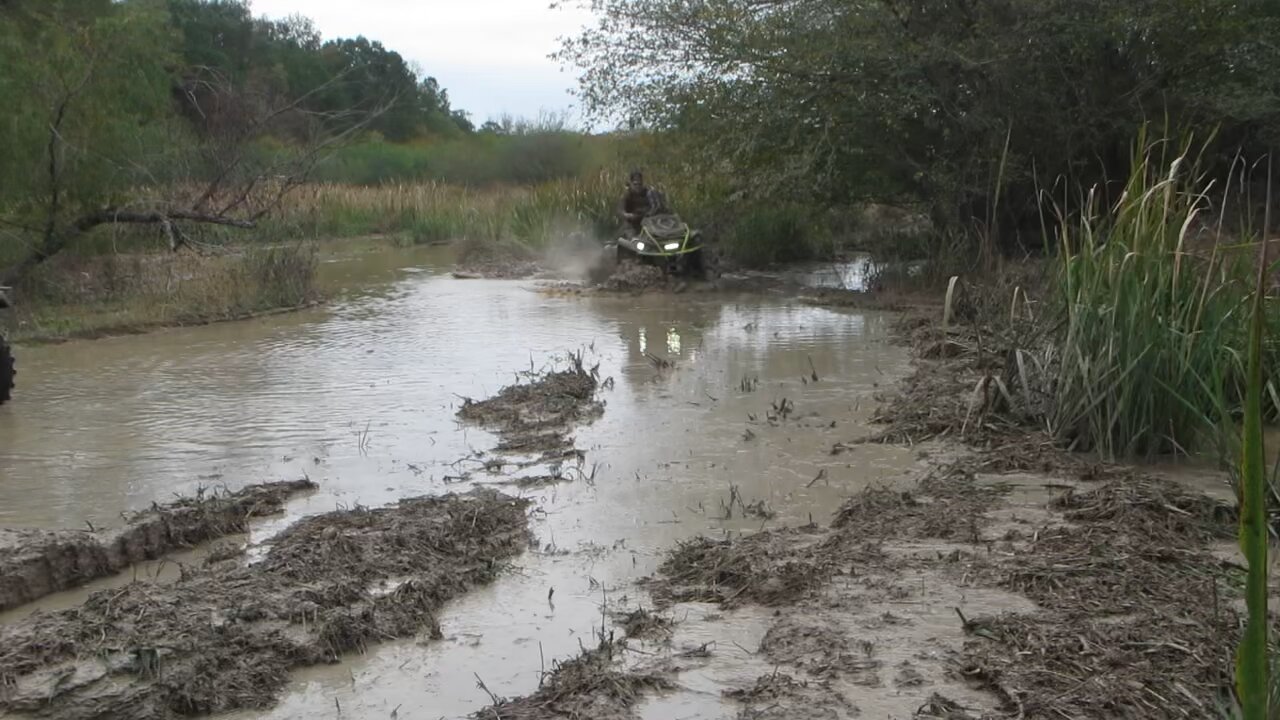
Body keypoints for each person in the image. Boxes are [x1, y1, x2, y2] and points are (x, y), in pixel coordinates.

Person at [617, 170, 662, 237]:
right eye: (635, 184)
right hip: (633, 223)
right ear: (631, 183)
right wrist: (628, 215)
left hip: (649, 222)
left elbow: (657, 206)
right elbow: (621, 210)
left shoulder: (648, 193)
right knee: (631, 236)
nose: (638, 186)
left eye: (640, 184)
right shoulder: (628, 195)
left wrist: (652, 212)